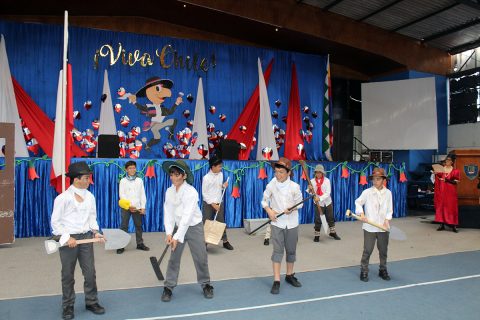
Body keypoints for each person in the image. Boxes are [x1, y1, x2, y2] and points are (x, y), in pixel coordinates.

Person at [50, 161, 106, 320]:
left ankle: (92, 301)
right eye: (86, 178)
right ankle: (67, 306)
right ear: (76, 179)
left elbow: (92, 217)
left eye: (89, 178)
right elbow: (55, 223)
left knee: (90, 273)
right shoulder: (62, 198)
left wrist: (95, 232)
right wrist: (67, 238)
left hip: (86, 238)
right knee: (67, 274)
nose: (89, 181)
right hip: (68, 240)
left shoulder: (90, 197)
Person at [160, 160, 214, 302]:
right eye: (171, 174)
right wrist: (169, 233)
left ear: (184, 176)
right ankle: (168, 287)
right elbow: (168, 213)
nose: (173, 178)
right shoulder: (169, 191)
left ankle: (206, 284)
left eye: (177, 175)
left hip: (194, 227)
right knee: (173, 259)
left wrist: (177, 237)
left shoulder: (191, 192)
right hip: (178, 227)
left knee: (200, 257)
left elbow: (187, 216)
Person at [261, 157, 303, 294]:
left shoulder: (295, 187)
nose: (278, 175)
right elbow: (264, 200)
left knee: (291, 251)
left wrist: (292, 208)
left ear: (288, 173)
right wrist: (269, 211)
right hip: (277, 222)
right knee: (278, 251)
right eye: (276, 172)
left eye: (281, 172)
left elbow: (300, 203)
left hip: (292, 224)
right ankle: (277, 280)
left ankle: (290, 275)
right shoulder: (272, 184)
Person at [354, 167, 393, 282]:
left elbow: (389, 210)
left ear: (383, 180)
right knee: (367, 250)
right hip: (369, 227)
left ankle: (383, 269)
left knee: (383, 250)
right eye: (374, 179)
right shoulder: (367, 192)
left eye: (378, 179)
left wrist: (387, 220)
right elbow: (358, 202)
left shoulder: (388, 193)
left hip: (383, 227)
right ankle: (364, 270)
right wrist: (361, 213)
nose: (375, 181)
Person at [202, 155, 233, 250]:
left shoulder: (221, 174)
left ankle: (225, 241)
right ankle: (204, 243)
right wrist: (212, 204)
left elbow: (219, 187)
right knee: (207, 222)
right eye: (219, 166)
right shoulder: (206, 178)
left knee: (221, 222)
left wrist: (223, 186)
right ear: (213, 166)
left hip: (219, 202)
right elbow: (204, 193)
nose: (221, 168)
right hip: (208, 203)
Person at [117, 160, 149, 254]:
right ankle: (121, 245)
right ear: (126, 169)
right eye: (130, 168)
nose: (132, 169)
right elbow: (121, 195)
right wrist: (129, 205)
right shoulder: (123, 181)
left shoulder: (139, 180)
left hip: (137, 207)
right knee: (124, 226)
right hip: (126, 207)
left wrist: (143, 207)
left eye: (134, 168)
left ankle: (140, 244)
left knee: (138, 226)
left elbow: (142, 194)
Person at [308, 164, 341, 242]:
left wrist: (319, 198)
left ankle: (332, 232)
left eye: (320, 172)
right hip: (318, 204)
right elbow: (310, 193)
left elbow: (328, 192)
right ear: (315, 173)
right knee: (318, 219)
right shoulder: (312, 181)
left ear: (323, 173)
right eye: (317, 172)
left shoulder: (327, 181)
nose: (318, 174)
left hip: (327, 202)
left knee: (330, 217)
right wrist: (310, 189)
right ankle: (317, 235)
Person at [434, 154, 460, 232]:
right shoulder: (442, 170)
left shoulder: (456, 171)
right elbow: (438, 178)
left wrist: (447, 180)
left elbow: (456, 182)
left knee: (451, 208)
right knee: (441, 207)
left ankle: (454, 226)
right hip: (442, 192)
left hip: (451, 193)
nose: (447, 161)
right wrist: (436, 173)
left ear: (452, 162)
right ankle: (441, 224)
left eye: (448, 160)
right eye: (446, 160)